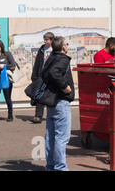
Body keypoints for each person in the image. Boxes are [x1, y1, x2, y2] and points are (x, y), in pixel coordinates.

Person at [42, 36, 74, 171]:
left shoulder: (51, 58)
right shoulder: (62, 58)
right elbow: (55, 74)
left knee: (50, 136)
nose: (67, 46)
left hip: (52, 102)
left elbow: (46, 73)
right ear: (63, 47)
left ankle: (50, 165)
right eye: (66, 44)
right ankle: (61, 167)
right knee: (61, 137)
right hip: (61, 101)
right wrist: (65, 87)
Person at [30, 32, 55, 124]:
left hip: (51, 77)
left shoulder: (55, 50)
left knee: (51, 96)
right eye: (44, 39)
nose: (44, 41)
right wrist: (34, 75)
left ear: (51, 40)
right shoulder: (42, 49)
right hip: (41, 76)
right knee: (40, 96)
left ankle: (53, 116)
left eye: (46, 40)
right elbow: (37, 63)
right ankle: (38, 116)